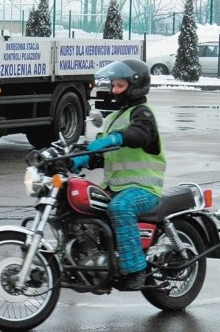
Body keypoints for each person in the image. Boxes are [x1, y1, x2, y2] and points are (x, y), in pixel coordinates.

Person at [71, 59, 165, 290]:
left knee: (120, 208)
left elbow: (142, 134)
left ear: (135, 86)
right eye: (113, 86)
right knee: (80, 205)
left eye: (120, 86)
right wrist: (78, 159)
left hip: (143, 189)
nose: (114, 91)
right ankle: (95, 268)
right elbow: (102, 154)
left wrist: (118, 138)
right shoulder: (113, 118)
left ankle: (136, 269)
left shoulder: (143, 114)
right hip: (114, 188)